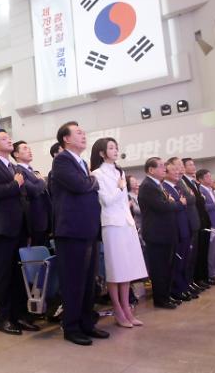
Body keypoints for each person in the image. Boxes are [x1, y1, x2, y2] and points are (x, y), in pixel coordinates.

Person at [51, 121, 109, 345]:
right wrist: (92, 181)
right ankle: (71, 326)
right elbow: (80, 185)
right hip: (72, 230)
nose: (83, 135)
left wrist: (89, 181)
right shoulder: (62, 160)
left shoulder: (82, 162)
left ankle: (87, 323)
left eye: (84, 132)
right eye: (78, 133)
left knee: (88, 280)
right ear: (66, 139)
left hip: (87, 228)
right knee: (73, 281)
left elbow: (86, 185)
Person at [0, 130, 38, 335]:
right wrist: (15, 183)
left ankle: (20, 315)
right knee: (4, 274)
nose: (10, 141)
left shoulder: (14, 166)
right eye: (5, 139)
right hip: (3, 228)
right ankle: (3, 318)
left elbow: (24, 196)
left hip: (20, 227)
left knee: (18, 274)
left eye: (9, 138)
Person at [90, 138, 147, 328]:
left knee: (127, 269)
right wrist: (120, 187)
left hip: (126, 223)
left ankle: (127, 309)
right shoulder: (97, 174)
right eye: (111, 148)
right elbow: (106, 201)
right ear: (101, 152)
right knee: (115, 271)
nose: (115, 151)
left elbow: (123, 202)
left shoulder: (119, 171)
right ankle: (118, 310)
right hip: (111, 225)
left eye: (116, 147)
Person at [138, 157, 186, 309]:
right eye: (160, 166)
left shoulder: (158, 185)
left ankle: (167, 296)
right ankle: (161, 300)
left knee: (167, 267)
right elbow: (162, 206)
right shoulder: (148, 186)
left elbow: (167, 203)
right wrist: (178, 203)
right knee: (159, 269)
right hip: (156, 234)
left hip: (165, 233)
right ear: (151, 170)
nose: (164, 169)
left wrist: (172, 202)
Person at [163, 158, 196, 302]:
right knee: (177, 261)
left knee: (184, 261)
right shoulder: (164, 187)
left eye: (179, 169)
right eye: (174, 170)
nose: (178, 172)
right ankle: (177, 290)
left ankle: (183, 287)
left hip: (185, 229)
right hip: (176, 230)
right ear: (166, 172)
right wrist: (179, 203)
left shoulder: (178, 187)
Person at [12, 140, 52, 246]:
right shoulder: (18, 170)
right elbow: (33, 190)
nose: (29, 151)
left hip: (44, 219)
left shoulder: (32, 171)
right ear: (16, 154)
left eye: (29, 148)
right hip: (34, 219)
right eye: (25, 148)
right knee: (37, 254)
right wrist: (42, 181)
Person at [182, 158, 212, 290]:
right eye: (189, 164)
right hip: (193, 221)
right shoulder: (183, 181)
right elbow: (194, 200)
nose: (193, 166)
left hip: (200, 220)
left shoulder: (193, 182)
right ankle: (195, 279)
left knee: (201, 252)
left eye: (193, 164)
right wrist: (200, 198)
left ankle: (201, 278)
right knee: (194, 254)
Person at [196, 169, 215, 285]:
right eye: (207, 177)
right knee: (212, 250)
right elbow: (203, 206)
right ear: (201, 180)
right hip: (212, 223)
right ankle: (211, 274)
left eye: (210, 176)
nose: (210, 178)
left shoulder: (211, 190)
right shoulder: (201, 190)